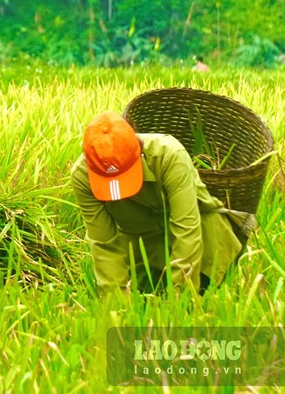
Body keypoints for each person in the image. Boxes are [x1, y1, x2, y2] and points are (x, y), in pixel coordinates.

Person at [70, 111, 254, 296]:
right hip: (141, 243)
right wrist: (116, 306)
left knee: (204, 302)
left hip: (201, 240)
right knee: (141, 302)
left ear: (138, 148)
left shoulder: (170, 155)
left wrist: (178, 299)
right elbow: (104, 243)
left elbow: (186, 229)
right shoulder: (82, 176)